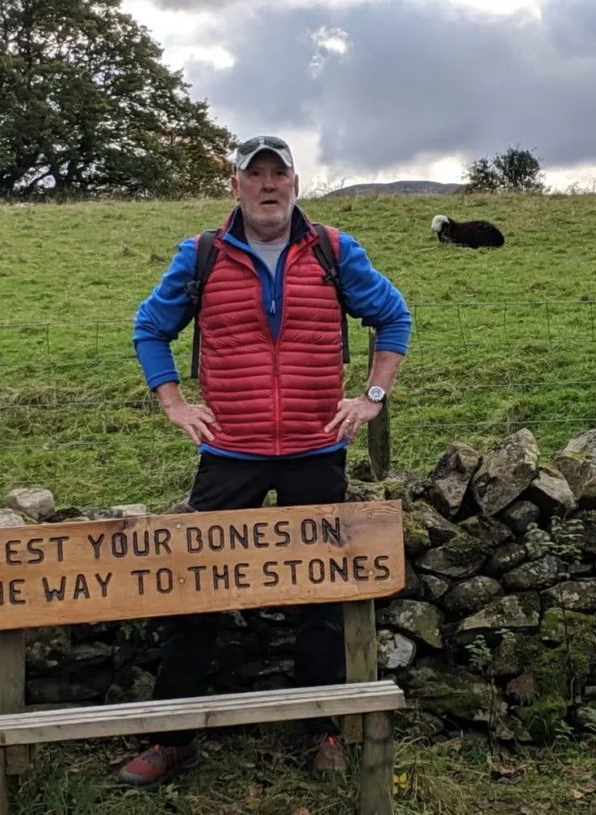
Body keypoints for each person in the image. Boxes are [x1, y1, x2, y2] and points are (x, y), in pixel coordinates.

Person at [120, 134, 412, 788]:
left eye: (278, 174)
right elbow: (150, 327)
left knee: (322, 596)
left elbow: (393, 318)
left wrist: (371, 396)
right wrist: (173, 403)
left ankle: (324, 730)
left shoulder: (334, 251)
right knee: (195, 588)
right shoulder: (201, 255)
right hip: (229, 454)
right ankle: (171, 737)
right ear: (236, 186)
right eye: (256, 175)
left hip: (317, 450)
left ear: (296, 183)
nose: (268, 185)